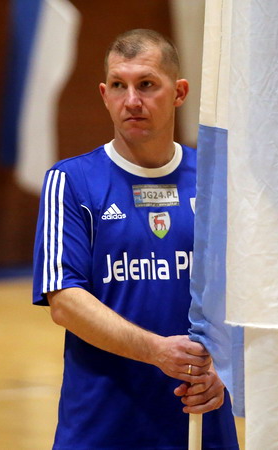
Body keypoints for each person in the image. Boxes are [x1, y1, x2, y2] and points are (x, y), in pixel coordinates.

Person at [33, 29, 239, 449]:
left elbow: (251, 289)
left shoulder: (217, 179)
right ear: (104, 94)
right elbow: (64, 301)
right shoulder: (71, 182)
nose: (131, 100)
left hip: (200, 422)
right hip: (102, 428)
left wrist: (229, 369)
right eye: (118, 85)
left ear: (179, 92)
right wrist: (157, 351)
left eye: (146, 84)